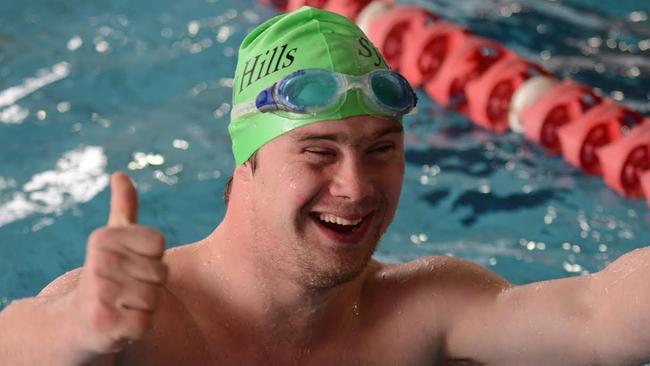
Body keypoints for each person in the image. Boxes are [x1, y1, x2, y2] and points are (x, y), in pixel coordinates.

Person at [1, 6, 649, 366]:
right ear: (245, 163)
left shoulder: (422, 313)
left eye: (381, 150)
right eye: (318, 151)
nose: (356, 185)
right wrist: (75, 334)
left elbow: (599, 318)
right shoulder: (139, 319)